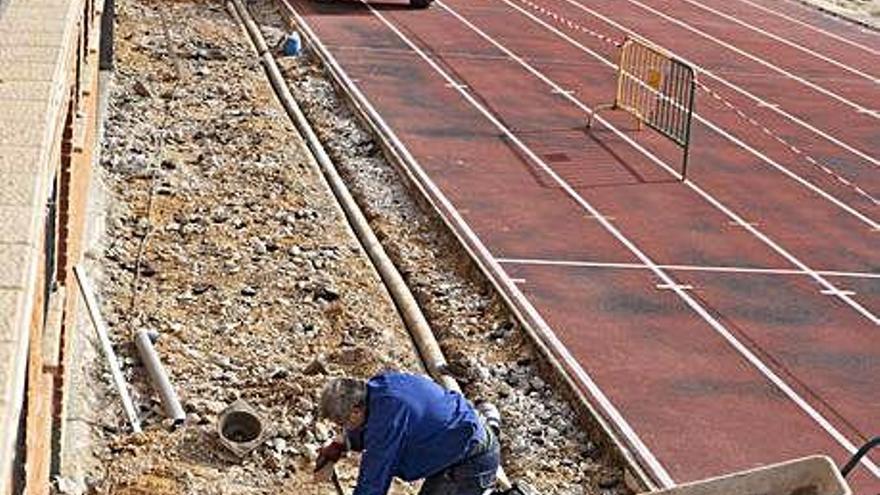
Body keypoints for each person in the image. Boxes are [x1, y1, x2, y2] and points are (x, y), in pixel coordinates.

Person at [315, 371, 501, 495]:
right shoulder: (377, 389)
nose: (344, 427)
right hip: (457, 447)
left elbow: (373, 482)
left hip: (471, 461)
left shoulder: (388, 420)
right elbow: (368, 426)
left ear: (355, 410)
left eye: (343, 422)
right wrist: (342, 443)